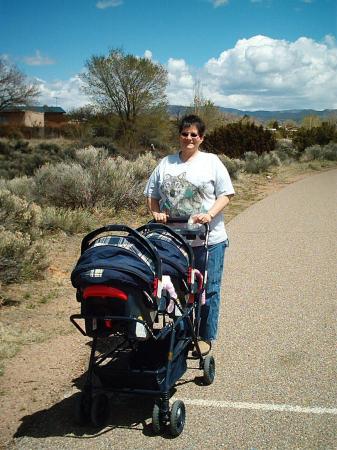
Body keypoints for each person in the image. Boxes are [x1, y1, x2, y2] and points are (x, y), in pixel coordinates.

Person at [144, 114, 235, 356]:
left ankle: (205, 336)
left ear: (201, 138)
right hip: (174, 241)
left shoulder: (212, 162)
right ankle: (183, 334)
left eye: (194, 134)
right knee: (176, 288)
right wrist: (156, 213)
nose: (189, 138)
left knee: (208, 288)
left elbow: (225, 194)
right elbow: (152, 194)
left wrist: (210, 214)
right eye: (185, 134)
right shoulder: (166, 163)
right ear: (179, 136)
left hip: (208, 239)